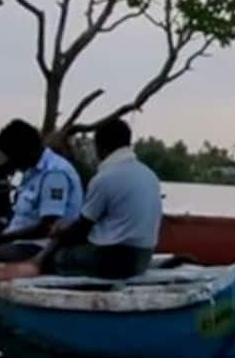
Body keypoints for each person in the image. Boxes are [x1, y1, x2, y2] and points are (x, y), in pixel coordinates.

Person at [0, 119, 83, 285]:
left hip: (39, 246)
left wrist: (0, 239)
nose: (13, 163)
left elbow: (47, 228)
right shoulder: (32, 169)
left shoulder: (54, 174)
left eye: (14, 157)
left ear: (29, 151)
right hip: (17, 241)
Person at [41, 118, 161, 280]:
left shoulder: (105, 177)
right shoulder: (149, 175)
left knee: (57, 258)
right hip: (144, 257)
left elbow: (82, 230)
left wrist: (59, 232)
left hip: (114, 259)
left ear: (101, 147)